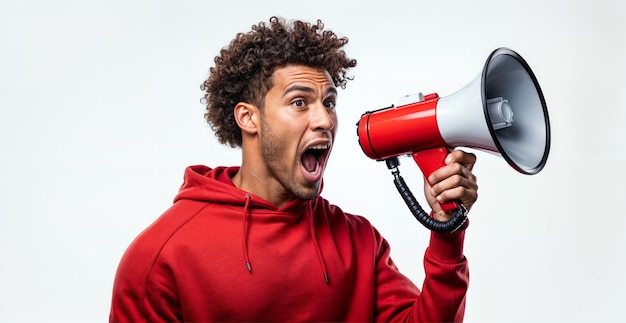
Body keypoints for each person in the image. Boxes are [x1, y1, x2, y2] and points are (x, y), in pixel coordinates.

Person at [109, 16, 478, 322]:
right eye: (300, 102)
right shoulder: (161, 256)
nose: (324, 120)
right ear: (248, 118)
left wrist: (446, 228)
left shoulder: (359, 241)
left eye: (329, 102)